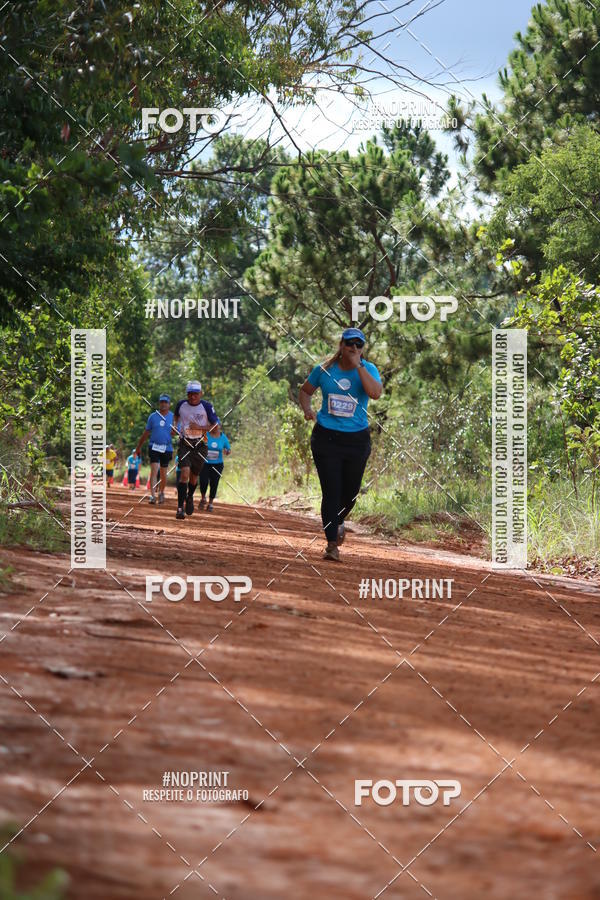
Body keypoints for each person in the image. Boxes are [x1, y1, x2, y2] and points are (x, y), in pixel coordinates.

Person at [299, 327, 382, 561]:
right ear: (341, 345)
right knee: (331, 492)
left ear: (362, 348)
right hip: (326, 438)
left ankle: (338, 520)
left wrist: (359, 366)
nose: (354, 348)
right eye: (349, 343)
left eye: (359, 344)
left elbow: (375, 393)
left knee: (350, 494)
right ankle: (332, 544)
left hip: (356, 440)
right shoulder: (324, 369)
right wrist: (307, 409)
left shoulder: (369, 369)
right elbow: (305, 391)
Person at [173, 380, 218, 520]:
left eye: (195, 394)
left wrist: (199, 428)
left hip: (200, 445)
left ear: (201, 393)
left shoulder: (207, 406)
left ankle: (190, 496)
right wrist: (175, 426)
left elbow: (215, 427)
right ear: (187, 394)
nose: (192, 396)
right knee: (184, 474)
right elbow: (176, 416)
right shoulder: (181, 405)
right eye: (190, 394)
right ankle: (180, 508)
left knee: (193, 477)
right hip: (185, 444)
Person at [135, 394, 174, 505]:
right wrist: (138, 446)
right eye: (162, 402)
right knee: (154, 470)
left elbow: (178, 432)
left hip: (167, 448)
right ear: (159, 403)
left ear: (169, 404)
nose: (163, 404)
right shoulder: (153, 416)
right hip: (154, 446)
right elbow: (146, 432)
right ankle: (152, 496)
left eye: (165, 402)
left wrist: (175, 431)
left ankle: (161, 492)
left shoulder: (173, 417)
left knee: (163, 473)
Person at [199, 419, 231, 511]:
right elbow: (198, 445)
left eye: (216, 425)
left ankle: (210, 503)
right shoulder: (205, 435)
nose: (214, 427)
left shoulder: (223, 437)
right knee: (203, 481)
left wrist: (227, 451)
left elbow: (228, 449)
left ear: (219, 426)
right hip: (204, 463)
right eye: (212, 425)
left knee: (214, 483)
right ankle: (203, 498)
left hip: (217, 465)